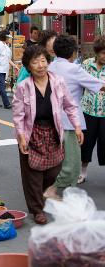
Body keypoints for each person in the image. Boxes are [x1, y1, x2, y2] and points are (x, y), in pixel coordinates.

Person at [12, 45, 83, 224]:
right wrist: (21, 136)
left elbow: (70, 105)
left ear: (48, 62)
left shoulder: (58, 81)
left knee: (53, 170)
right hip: (31, 133)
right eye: (35, 62)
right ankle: (37, 210)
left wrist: (77, 126)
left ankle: (42, 194)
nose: (41, 65)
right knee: (32, 175)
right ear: (29, 66)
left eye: (43, 60)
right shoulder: (23, 87)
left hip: (52, 131)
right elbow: (19, 114)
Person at [43, 36, 105, 198]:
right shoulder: (75, 69)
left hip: (49, 120)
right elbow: (99, 86)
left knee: (54, 158)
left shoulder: (49, 67)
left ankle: (61, 191)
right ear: (72, 52)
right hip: (70, 122)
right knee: (72, 164)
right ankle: (53, 189)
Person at [79, 36, 105, 183]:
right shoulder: (87, 65)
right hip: (88, 110)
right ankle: (83, 171)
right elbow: (78, 84)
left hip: (104, 113)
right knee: (87, 142)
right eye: (103, 53)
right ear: (97, 52)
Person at [0, 30, 19, 109]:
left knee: (0, 86)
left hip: (4, 69)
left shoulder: (6, 46)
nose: (9, 39)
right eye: (8, 37)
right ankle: (7, 104)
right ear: (5, 37)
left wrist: (14, 66)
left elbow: (8, 59)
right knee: (2, 86)